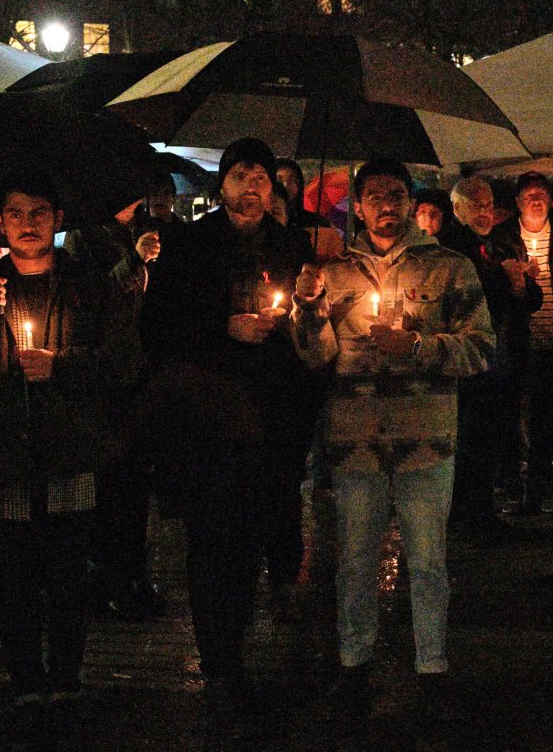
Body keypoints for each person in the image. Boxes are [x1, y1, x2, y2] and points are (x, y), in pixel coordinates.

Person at [291, 159, 493, 730]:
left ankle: (432, 666)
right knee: (354, 560)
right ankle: (354, 663)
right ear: (356, 205)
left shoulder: (450, 268)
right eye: (374, 195)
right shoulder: (333, 270)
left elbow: (480, 349)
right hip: (355, 439)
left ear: (410, 203)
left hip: (426, 438)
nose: (385, 204)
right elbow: (315, 357)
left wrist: (419, 347)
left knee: (428, 561)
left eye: (396, 194)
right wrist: (307, 310)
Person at [0, 173, 140, 726]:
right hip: (6, 453)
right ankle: (27, 675)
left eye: (39, 212)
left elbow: (125, 362)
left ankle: (67, 676)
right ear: (0, 222)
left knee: (67, 569)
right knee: (15, 571)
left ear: (57, 218)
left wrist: (63, 366)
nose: (27, 223)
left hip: (70, 449)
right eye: (15, 212)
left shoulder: (90, 285)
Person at [138, 138, 317, 722]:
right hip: (208, 424)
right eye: (239, 175)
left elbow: (308, 334)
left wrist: (307, 308)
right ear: (223, 186)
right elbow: (157, 329)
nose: (250, 187)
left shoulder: (294, 245)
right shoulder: (188, 245)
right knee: (214, 543)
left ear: (274, 188)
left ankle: (243, 646)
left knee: (256, 538)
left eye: (261, 177)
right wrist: (224, 329)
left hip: (273, 421)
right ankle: (219, 664)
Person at [63, 199, 164, 619]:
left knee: (133, 484)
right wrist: (134, 262)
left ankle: (131, 576)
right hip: (102, 378)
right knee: (110, 486)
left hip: (134, 374)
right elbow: (93, 301)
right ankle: (109, 580)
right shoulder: (84, 239)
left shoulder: (133, 231)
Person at [445, 176, 540, 543]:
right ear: (458, 209)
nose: (485, 212)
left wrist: (519, 284)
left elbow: (530, 299)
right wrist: (504, 280)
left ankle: (481, 510)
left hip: (502, 353)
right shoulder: (453, 247)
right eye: (476, 205)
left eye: (488, 205)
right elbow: (471, 295)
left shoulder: (498, 243)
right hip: (472, 357)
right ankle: (470, 516)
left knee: (489, 435)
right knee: (472, 437)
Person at [511, 171, 553, 513]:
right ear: (518, 203)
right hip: (520, 338)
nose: (535, 201)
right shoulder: (507, 237)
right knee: (522, 413)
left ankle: (544, 478)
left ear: (550, 199)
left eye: (540, 195)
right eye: (528, 196)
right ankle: (526, 481)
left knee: (549, 414)